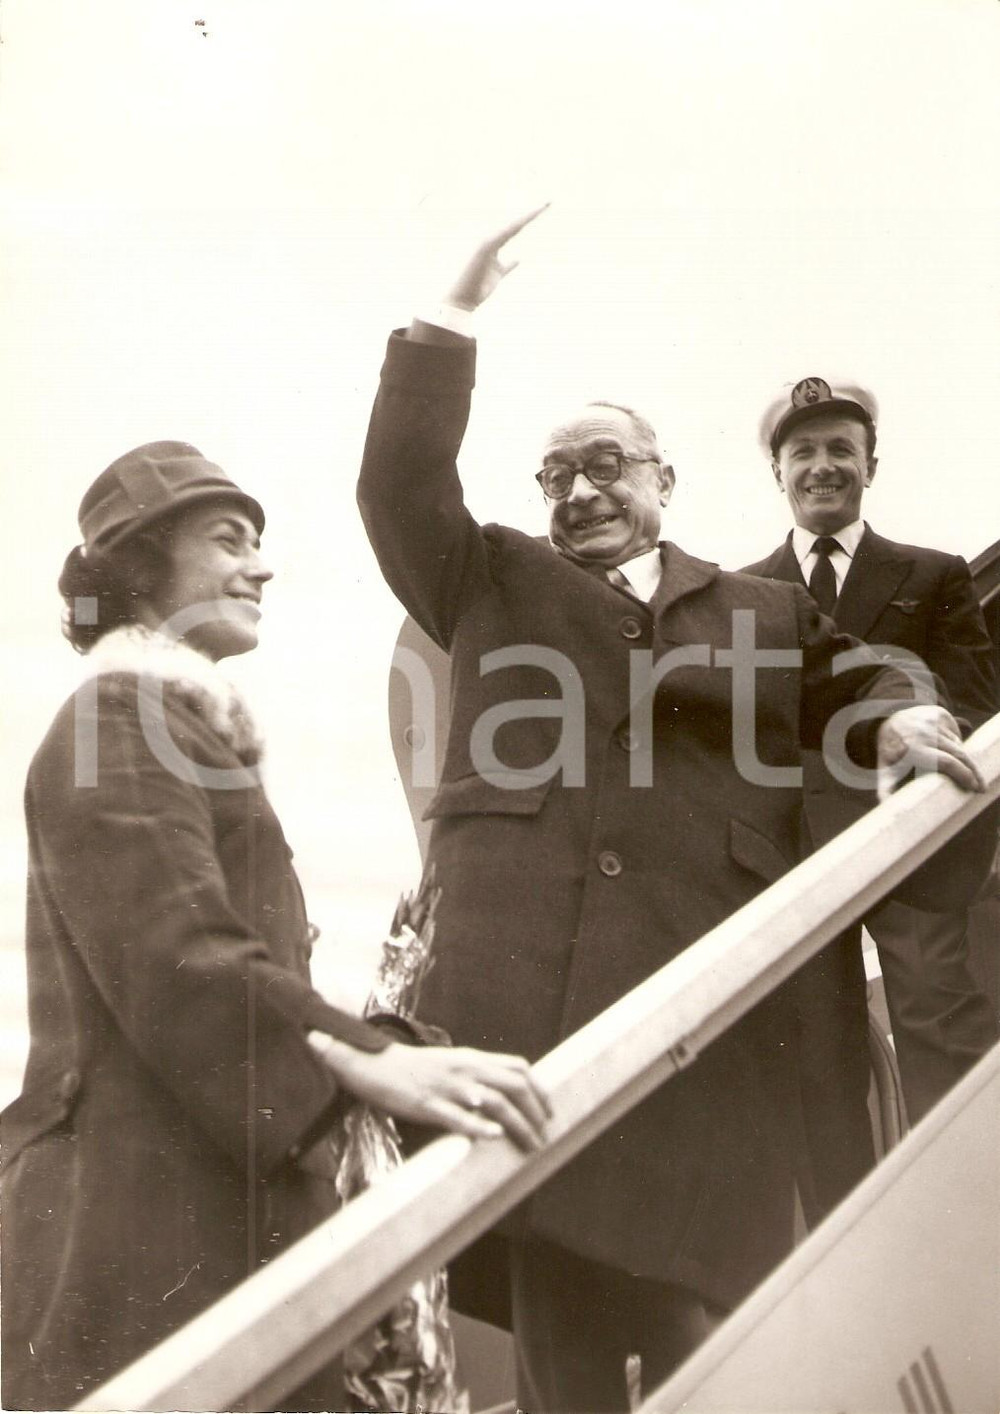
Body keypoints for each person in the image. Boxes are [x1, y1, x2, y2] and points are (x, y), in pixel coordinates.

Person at [357, 212, 987, 1412]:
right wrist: (451, 316)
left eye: (607, 465)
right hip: (535, 1027)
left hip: (714, 1019)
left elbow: (857, 675)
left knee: (728, 1341)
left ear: (663, 480)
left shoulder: (756, 606)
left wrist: (904, 716)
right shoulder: (483, 575)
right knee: (565, 1347)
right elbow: (397, 480)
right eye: (556, 474)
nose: (581, 489)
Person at [0, 441, 550, 1413]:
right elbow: (178, 953)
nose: (261, 565)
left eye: (260, 541)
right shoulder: (115, 718)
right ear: (136, 567)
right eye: (229, 540)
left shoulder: (169, 726)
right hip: (134, 1224)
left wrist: (381, 1049)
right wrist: (369, 1060)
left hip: (186, 1198)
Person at [744, 379, 998, 1151]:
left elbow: (974, 703)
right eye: (804, 453)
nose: (823, 467)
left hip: (911, 843)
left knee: (936, 1019)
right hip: (798, 854)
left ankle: (964, 1208)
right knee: (817, 1054)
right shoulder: (739, 593)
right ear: (778, 474)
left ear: (871, 466)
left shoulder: (933, 574)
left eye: (841, 451)